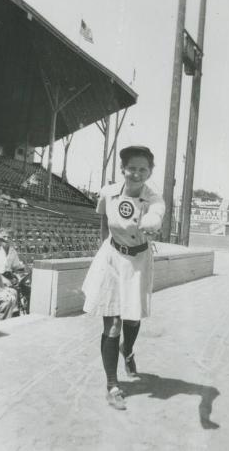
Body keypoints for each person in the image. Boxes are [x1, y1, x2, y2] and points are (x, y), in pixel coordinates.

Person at [82, 146, 165, 410]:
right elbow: (104, 222)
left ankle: (127, 351)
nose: (137, 174)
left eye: (143, 169)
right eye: (132, 168)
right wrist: (104, 250)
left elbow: (156, 216)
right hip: (112, 258)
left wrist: (150, 223)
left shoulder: (155, 199)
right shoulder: (108, 192)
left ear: (150, 172)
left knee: (132, 319)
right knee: (113, 325)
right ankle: (112, 385)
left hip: (138, 262)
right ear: (123, 169)